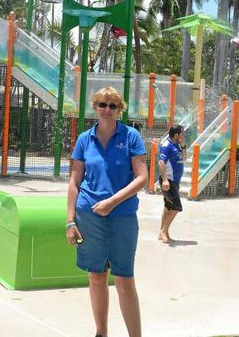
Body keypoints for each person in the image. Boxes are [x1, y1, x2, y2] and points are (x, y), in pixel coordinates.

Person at [66, 87, 148, 337]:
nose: (107, 110)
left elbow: (142, 177)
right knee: (97, 277)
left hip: (122, 216)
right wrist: (70, 220)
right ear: (95, 107)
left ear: (119, 109)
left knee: (124, 279)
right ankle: (101, 332)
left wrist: (113, 201)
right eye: (102, 104)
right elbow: (74, 181)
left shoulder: (131, 136)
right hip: (88, 216)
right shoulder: (84, 139)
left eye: (112, 106)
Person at [157, 124, 186, 243]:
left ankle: (163, 232)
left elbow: (184, 159)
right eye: (182, 134)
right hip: (168, 181)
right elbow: (161, 162)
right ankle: (163, 231)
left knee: (168, 207)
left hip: (175, 181)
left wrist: (183, 145)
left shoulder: (177, 145)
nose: (184, 136)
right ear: (176, 135)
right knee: (176, 207)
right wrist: (164, 180)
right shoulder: (167, 146)